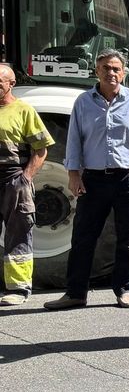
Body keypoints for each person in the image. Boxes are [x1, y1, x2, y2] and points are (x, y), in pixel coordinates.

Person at [43, 50, 129, 311]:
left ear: (123, 73)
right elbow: (74, 140)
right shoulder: (83, 102)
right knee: (83, 238)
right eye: (105, 68)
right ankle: (75, 293)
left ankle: (124, 290)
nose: (110, 73)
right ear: (97, 71)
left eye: (116, 68)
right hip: (93, 181)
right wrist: (73, 174)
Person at [0, 63, 55, 307]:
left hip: (13, 180)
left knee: (18, 234)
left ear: (11, 84)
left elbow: (40, 149)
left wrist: (25, 178)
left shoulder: (24, 111)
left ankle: (18, 288)